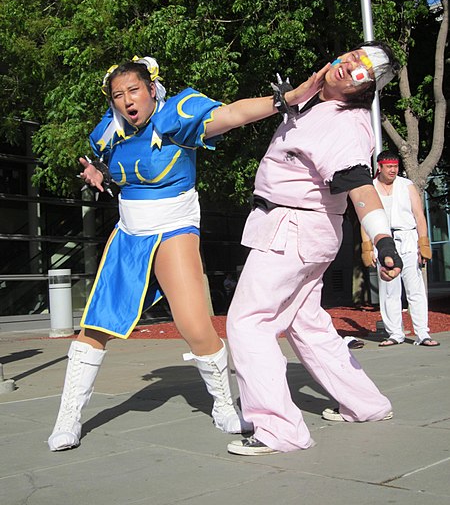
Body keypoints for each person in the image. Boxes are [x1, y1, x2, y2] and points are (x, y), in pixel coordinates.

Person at [48, 55, 328, 452]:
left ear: (151, 89)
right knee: (94, 328)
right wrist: (100, 175)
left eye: (134, 91)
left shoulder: (177, 115)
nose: (128, 101)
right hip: (129, 235)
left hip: (173, 229)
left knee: (196, 326)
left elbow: (231, 115)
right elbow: (120, 175)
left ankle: (224, 406)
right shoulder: (107, 135)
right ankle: (67, 419)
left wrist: (286, 99)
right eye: (118, 95)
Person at [226, 41, 403, 456]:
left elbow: (359, 183)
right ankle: (366, 404)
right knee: (306, 322)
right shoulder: (312, 104)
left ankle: (279, 429)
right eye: (351, 57)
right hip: (305, 229)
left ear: (365, 89)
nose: (350, 67)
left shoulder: (345, 123)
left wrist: (383, 239)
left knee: (249, 321)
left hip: (294, 227)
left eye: (363, 71)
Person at [361, 150, 439, 348]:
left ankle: (423, 333)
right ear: (380, 167)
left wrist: (423, 244)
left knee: (415, 289)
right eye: (389, 167)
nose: (393, 170)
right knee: (389, 290)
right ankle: (395, 333)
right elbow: (365, 220)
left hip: (408, 238)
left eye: (395, 166)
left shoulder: (407, 186)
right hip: (383, 241)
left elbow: (419, 216)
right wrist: (367, 247)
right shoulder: (370, 187)